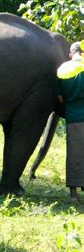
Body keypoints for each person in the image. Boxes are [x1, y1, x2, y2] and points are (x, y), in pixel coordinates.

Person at [56, 40, 84, 203]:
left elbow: (60, 98)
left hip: (73, 117)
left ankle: (74, 194)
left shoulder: (62, 69)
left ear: (70, 54)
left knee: (74, 153)